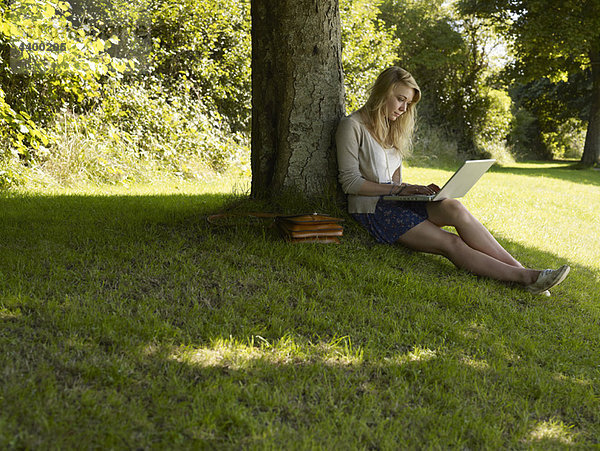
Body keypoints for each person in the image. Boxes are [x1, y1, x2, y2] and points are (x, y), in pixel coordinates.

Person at [336, 66, 570, 295]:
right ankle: (527, 277)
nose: (404, 108)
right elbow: (350, 183)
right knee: (452, 243)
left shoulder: (390, 128)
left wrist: (413, 190)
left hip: (395, 201)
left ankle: (524, 271)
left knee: (453, 206)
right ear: (382, 93)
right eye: (400, 99)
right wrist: (398, 189)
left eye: (408, 104)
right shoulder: (352, 126)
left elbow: (393, 180)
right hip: (372, 210)